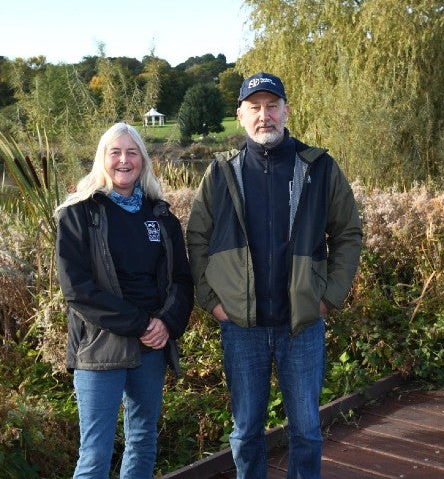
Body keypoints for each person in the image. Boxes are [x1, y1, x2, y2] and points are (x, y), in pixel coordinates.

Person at [186, 72, 363, 479]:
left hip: (300, 325)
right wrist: (211, 301)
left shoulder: (318, 167)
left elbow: (348, 233)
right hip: (240, 327)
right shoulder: (220, 173)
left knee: (307, 430)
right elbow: (197, 238)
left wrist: (328, 296)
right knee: (246, 431)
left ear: (286, 110)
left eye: (271, 106)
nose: (264, 116)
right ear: (241, 115)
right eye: (255, 107)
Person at [56, 122, 193, 479]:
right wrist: (141, 323)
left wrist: (165, 323)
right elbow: (77, 289)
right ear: (102, 159)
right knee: (96, 451)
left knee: (144, 439)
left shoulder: (161, 216)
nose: (123, 160)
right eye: (115, 152)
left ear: (143, 162)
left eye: (132, 152)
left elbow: (181, 280)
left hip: (151, 348)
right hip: (99, 349)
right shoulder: (79, 214)